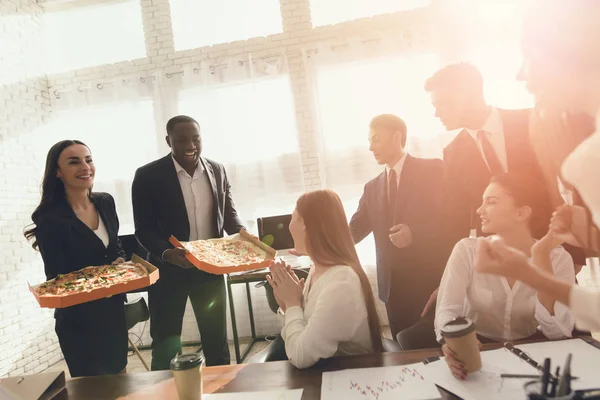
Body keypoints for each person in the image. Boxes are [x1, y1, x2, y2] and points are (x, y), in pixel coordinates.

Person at [421, 62, 586, 317]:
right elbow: (454, 221)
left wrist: (575, 254)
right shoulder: (452, 153)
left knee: (563, 332)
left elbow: (575, 181)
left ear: (466, 94)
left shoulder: (531, 122)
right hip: (504, 269)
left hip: (554, 256)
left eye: (440, 103)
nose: (435, 113)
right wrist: (446, 282)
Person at [475, 0, 600, 333]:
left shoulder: (588, 159)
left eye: (528, 54)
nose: (520, 73)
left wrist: (526, 272)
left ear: (571, 49)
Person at [132, 115, 244, 369]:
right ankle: (164, 392)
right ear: (168, 140)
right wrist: (167, 253)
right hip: (169, 270)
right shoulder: (148, 175)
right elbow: (144, 229)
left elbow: (229, 214)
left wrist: (243, 236)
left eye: (195, 138)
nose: (190, 145)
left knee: (216, 341)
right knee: (166, 342)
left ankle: (222, 391)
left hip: (210, 269)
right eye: (181, 139)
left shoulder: (217, 169)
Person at [438, 173, 575, 380]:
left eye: (491, 202)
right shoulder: (466, 250)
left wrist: (540, 256)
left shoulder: (558, 259)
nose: (479, 210)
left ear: (521, 213)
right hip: (478, 352)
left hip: (534, 356)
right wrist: (453, 342)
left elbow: (558, 332)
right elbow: (448, 309)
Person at [24, 140, 128, 377]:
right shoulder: (50, 218)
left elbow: (115, 246)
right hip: (79, 322)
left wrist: (120, 262)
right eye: (74, 162)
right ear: (58, 172)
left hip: (112, 314)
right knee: (92, 390)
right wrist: (103, 278)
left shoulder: (105, 202)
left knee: (121, 383)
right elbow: (57, 277)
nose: (85, 167)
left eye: (88, 160)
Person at [348, 114, 445, 339]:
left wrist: (416, 234)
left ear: (397, 137)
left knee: (433, 346)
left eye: (376, 139)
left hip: (428, 282)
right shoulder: (371, 188)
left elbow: (450, 220)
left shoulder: (432, 170)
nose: (370, 147)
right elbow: (354, 230)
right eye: (369, 141)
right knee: (402, 349)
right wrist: (317, 244)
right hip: (391, 290)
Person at [266, 189, 384, 369]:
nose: (289, 226)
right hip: (322, 372)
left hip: (346, 380)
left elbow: (300, 356)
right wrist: (287, 305)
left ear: (306, 224)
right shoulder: (316, 270)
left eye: (293, 218)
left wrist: (292, 304)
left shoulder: (342, 282)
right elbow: (297, 336)